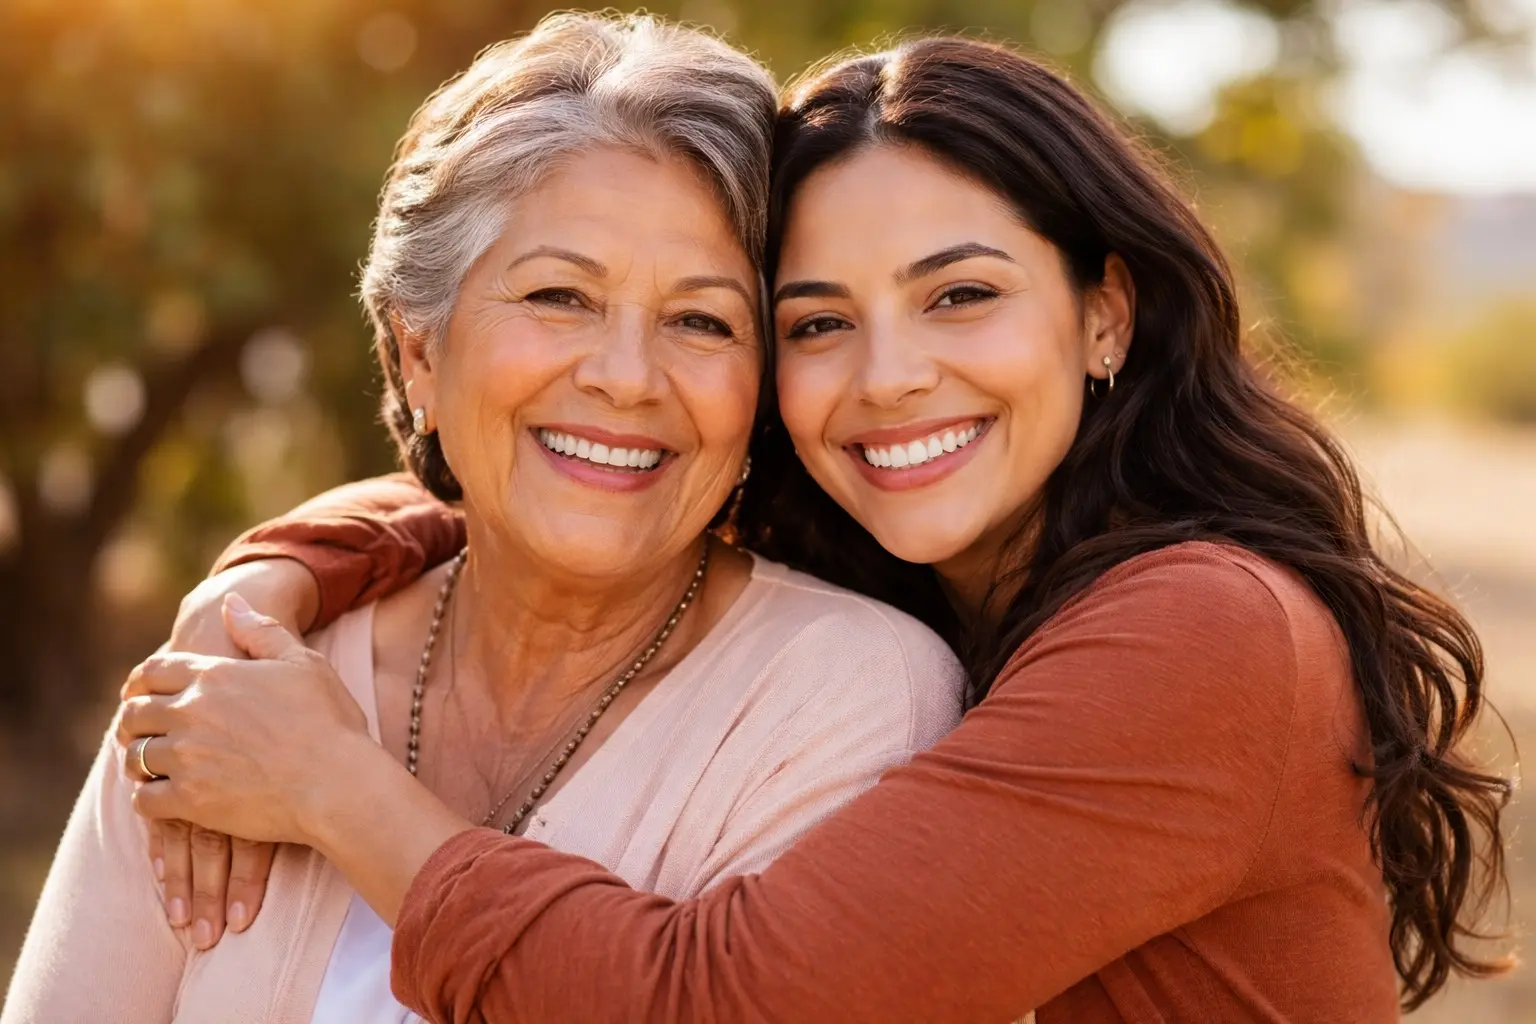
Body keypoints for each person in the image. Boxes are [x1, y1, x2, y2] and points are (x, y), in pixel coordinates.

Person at [113, 33, 1509, 1024]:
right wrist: (270, 581)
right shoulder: (929, 565)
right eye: (817, 323)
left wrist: (329, 787)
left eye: (961, 296)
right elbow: (528, 486)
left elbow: (717, 1003)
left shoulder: (1198, 629)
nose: (887, 375)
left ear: (1104, 314)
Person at [0, 15, 968, 1023]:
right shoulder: (237, 670)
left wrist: (333, 788)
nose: (627, 378)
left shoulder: (854, 698)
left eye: (700, 320)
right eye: (559, 295)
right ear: (418, 353)